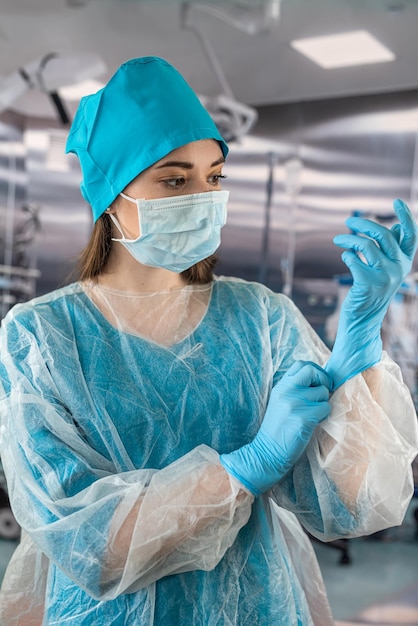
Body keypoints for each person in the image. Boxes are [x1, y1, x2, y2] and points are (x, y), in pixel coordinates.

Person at [0, 56, 417, 626]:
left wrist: (361, 344)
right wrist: (248, 466)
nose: (204, 194)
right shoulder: (39, 339)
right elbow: (89, 548)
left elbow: (352, 505)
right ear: (111, 196)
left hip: (259, 608)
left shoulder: (262, 319)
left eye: (214, 176)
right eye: (175, 179)